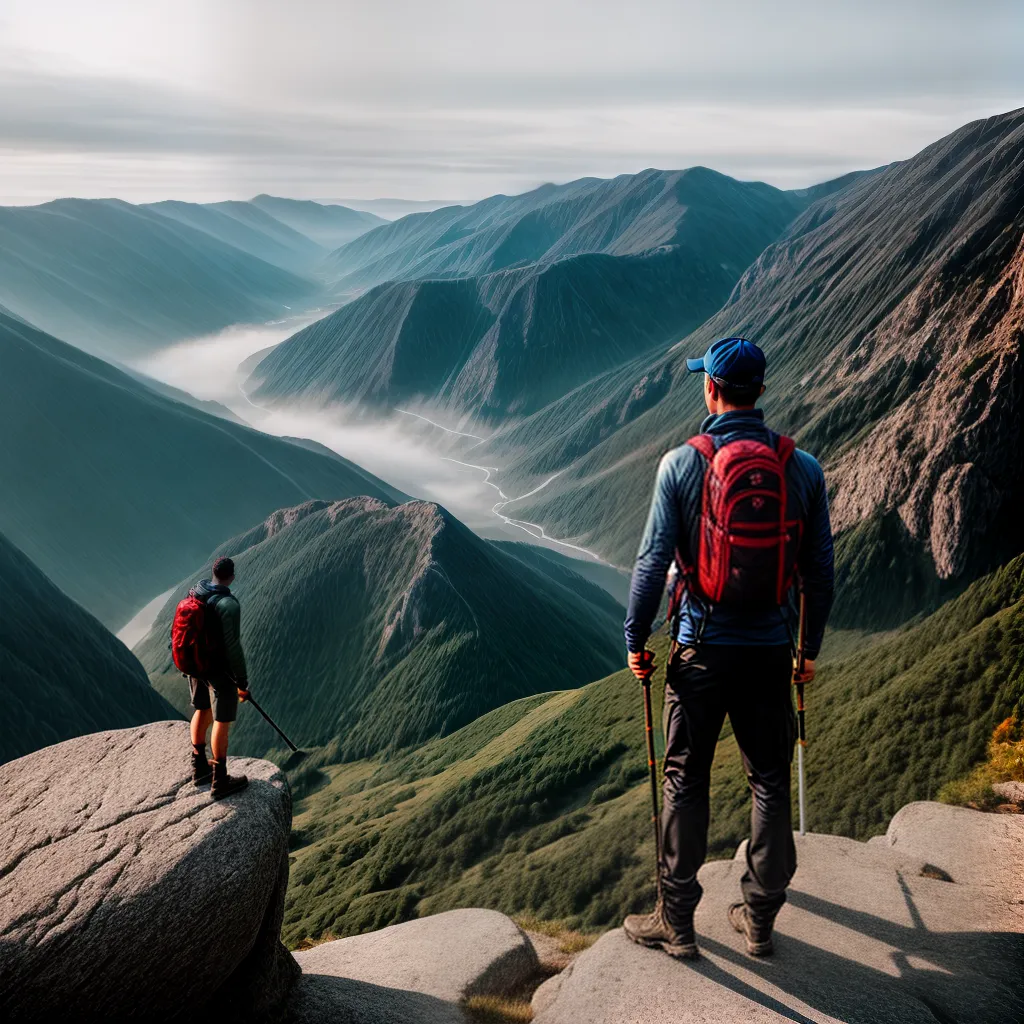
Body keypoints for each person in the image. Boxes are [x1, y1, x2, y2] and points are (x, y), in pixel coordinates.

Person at [622, 337, 834, 960]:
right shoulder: (805, 468)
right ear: (761, 392)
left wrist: (636, 642)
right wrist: (808, 650)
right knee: (768, 780)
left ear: (710, 389)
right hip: (770, 650)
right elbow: (820, 572)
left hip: (700, 651)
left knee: (684, 778)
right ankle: (760, 917)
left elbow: (650, 566)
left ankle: (678, 922)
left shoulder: (681, 465)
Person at [188, 556, 251, 799]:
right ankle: (220, 780)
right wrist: (241, 681)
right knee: (221, 722)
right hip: (217, 671)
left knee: (202, 709)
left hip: (195, 663)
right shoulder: (228, 605)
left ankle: (199, 767)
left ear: (213, 573)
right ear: (231, 577)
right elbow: (233, 647)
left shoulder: (197, 590)